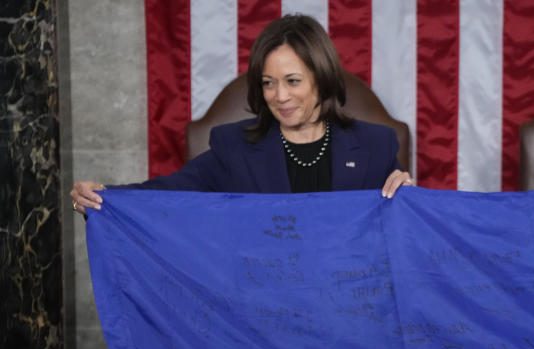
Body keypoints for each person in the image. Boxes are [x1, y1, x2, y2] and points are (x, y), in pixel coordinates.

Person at [69, 14, 411, 213]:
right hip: (262, 309)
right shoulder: (233, 146)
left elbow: (404, 225)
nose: (279, 96)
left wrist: (408, 195)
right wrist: (104, 197)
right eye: (268, 83)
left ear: (321, 80)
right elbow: (167, 194)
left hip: (351, 308)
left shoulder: (375, 145)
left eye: (292, 81)